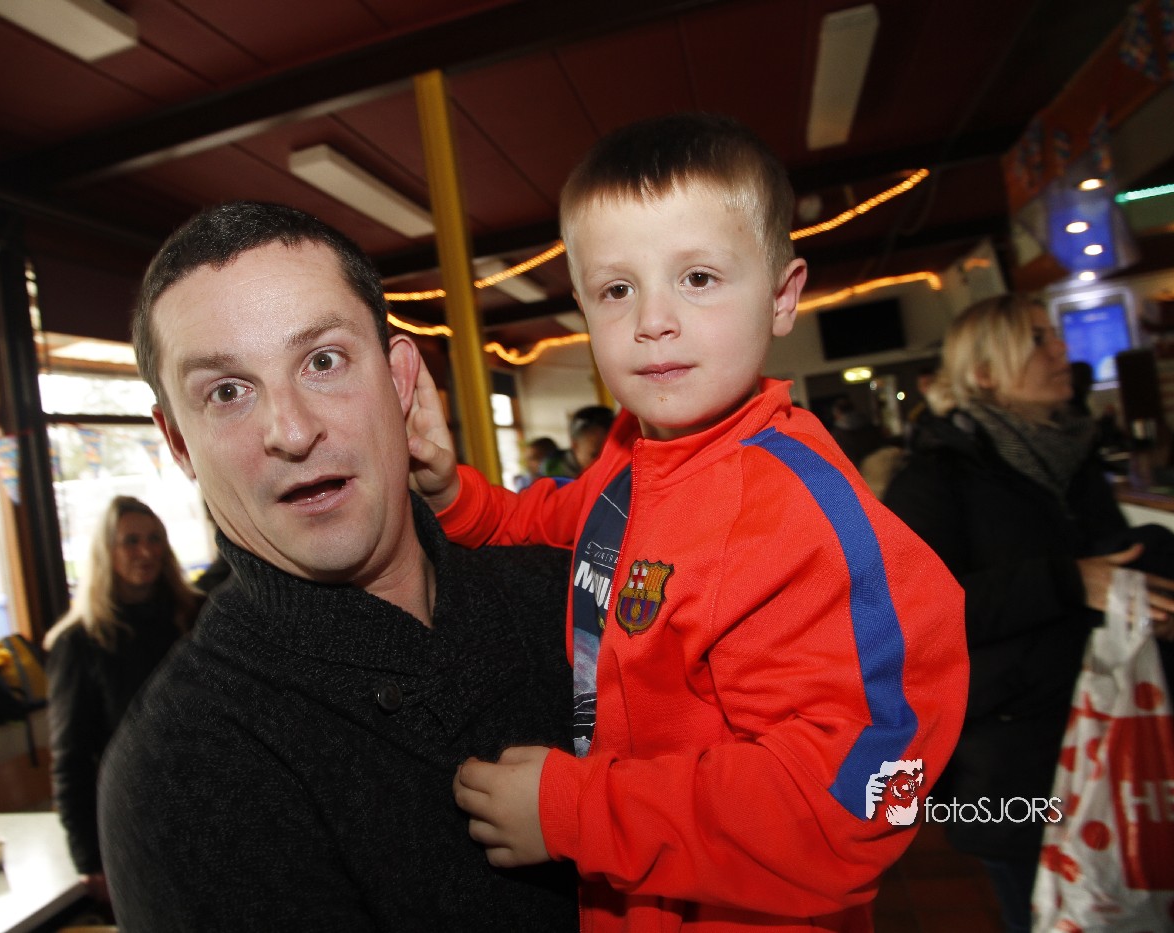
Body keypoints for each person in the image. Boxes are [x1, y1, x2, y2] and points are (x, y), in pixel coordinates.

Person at [407, 112, 969, 930]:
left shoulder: (799, 517)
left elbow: (852, 803)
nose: (652, 320)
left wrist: (576, 810)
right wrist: (451, 496)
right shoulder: (631, 458)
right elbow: (556, 520)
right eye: (617, 289)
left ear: (782, 297)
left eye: (698, 277)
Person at [97, 201, 577, 931]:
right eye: (227, 392)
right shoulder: (180, 769)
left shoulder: (570, 598)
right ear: (179, 443)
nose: (291, 431)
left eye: (322, 361)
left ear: (401, 380)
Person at [883, 294, 1174, 932]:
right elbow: (908, 615)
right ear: (986, 372)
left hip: (1105, 728)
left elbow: (1107, 563)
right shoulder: (935, 475)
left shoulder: (1074, 457)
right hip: (1005, 760)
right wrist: (1069, 581)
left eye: (1054, 335)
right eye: (1038, 339)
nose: (1062, 350)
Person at [44, 494, 201, 909]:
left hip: (211, 806)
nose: (146, 552)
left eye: (154, 539)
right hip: (136, 822)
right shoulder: (79, 643)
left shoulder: (196, 616)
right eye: (131, 541)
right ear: (105, 552)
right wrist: (88, 858)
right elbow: (71, 760)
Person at [565, 404, 615, 475]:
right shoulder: (559, 478)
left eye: (612, 455)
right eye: (595, 456)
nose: (606, 463)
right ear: (575, 447)